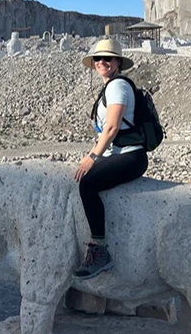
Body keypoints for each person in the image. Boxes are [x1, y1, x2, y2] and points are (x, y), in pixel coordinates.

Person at [73, 39, 149, 280]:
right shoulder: (110, 86)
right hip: (119, 153)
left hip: (131, 156)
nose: (102, 62)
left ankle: (99, 251)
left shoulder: (117, 87)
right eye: (98, 58)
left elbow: (112, 127)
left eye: (108, 58)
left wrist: (92, 156)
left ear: (118, 63)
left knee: (87, 183)